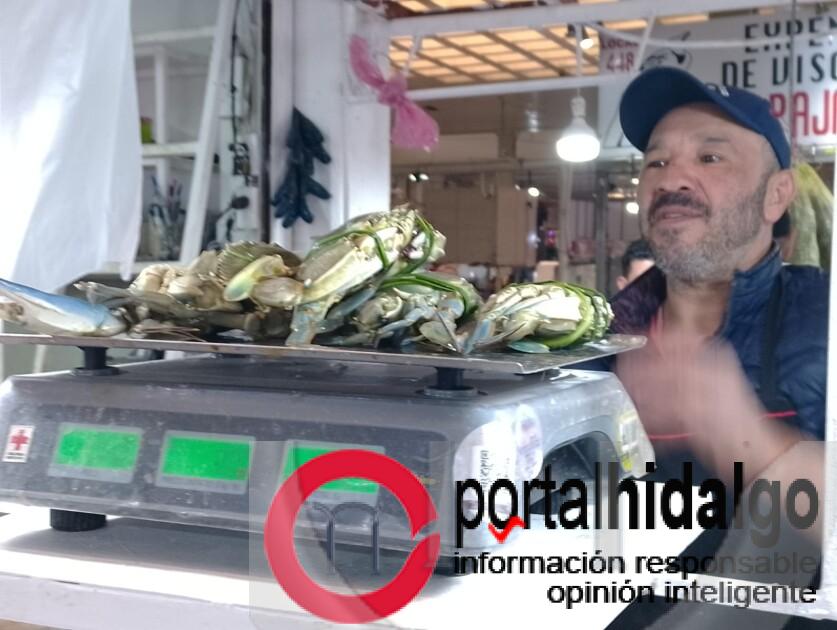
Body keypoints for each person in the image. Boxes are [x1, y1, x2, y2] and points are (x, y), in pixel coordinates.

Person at [605, 66, 830, 629]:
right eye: (656, 162)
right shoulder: (595, 341)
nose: (672, 179)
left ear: (776, 195)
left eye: (709, 157)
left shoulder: (826, 321)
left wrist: (754, 440)